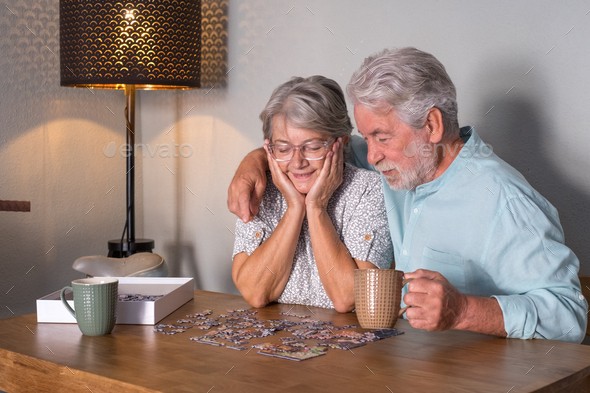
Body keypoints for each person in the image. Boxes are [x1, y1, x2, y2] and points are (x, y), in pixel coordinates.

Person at [228, 48, 588, 343]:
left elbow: (570, 317)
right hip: (395, 367)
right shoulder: (396, 164)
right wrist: (255, 160)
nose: (369, 155)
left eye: (381, 137)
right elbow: (314, 151)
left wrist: (465, 310)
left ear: (431, 126)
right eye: (366, 138)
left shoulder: (506, 202)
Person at [231, 75, 394, 312]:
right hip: (274, 344)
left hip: (356, 345)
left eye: (313, 146)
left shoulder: (370, 190)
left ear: (341, 143)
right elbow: (255, 293)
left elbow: (349, 297)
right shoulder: (260, 189)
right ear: (269, 149)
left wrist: (316, 208)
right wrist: (295, 208)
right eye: (284, 148)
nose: (297, 162)